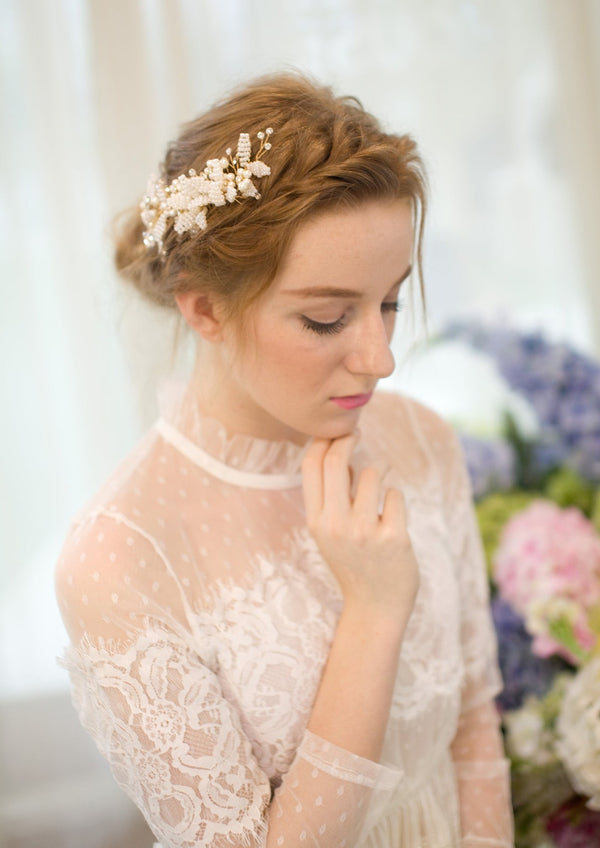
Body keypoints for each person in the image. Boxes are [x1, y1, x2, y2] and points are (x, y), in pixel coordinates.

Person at [55, 73, 514, 848]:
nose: (380, 359)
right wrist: (372, 615)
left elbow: (473, 731)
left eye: (390, 302)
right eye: (327, 317)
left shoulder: (422, 443)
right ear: (203, 307)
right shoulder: (121, 560)